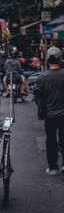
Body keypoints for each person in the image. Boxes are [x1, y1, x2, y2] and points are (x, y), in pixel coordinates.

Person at [33, 46, 64, 176]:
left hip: (49, 115)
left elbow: (36, 95)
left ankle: (53, 167)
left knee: (51, 140)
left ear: (47, 59)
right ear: (60, 59)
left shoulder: (42, 77)